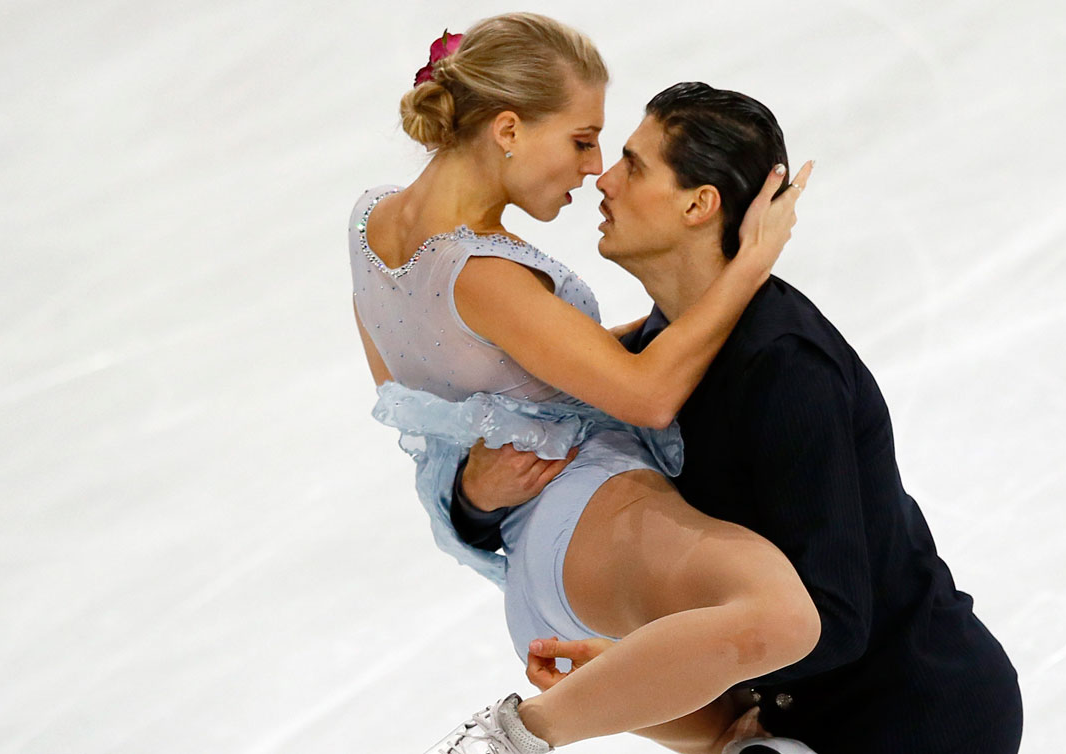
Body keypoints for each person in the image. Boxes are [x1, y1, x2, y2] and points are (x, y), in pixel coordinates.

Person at [452, 83, 1025, 753]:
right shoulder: (654, 356)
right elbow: (535, 458)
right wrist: (475, 500)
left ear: (700, 203)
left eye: (634, 165)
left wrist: (653, 666)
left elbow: (834, 617)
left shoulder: (786, 367)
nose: (603, 179)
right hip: (799, 719)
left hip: (919, 717)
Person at [348, 13, 819, 754]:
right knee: (781, 616)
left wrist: (473, 496)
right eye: (579, 139)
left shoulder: (373, 225)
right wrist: (749, 264)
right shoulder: (483, 271)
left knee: (740, 738)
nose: (593, 166)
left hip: (544, 591)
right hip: (595, 520)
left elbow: (461, 391)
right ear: (507, 129)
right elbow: (646, 395)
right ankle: (506, 739)